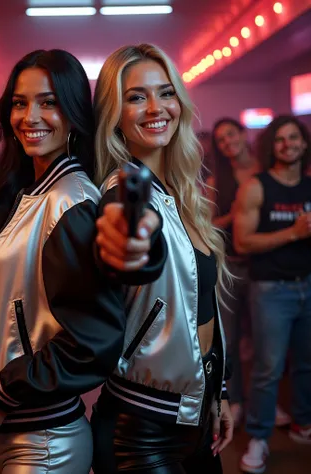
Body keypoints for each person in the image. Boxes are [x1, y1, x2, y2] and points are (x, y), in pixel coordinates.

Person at [0, 49, 126, 474]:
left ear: (73, 113)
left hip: (40, 440)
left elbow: (93, 342)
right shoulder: (26, 192)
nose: (30, 116)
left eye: (48, 102)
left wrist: (1, 396)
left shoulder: (72, 200)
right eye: (20, 102)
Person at [91, 43, 233, 474]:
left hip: (196, 410)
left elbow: (200, 308)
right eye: (136, 97)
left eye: (166, 92)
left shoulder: (181, 193)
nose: (156, 107)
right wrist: (130, 246)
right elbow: (129, 243)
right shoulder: (123, 193)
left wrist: (219, 392)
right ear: (115, 113)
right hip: (139, 430)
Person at [234, 115, 311, 473]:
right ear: (271, 145)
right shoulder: (256, 187)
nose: (288, 144)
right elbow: (243, 243)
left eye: (294, 138)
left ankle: (305, 422)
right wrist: (295, 231)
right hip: (270, 289)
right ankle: (259, 437)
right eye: (280, 139)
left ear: (305, 144)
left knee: (309, 363)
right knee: (268, 368)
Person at [206, 118, 264, 427]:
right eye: (221, 140)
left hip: (264, 266)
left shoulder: (267, 169)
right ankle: (236, 401)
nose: (228, 143)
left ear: (243, 134)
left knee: (263, 340)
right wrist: (235, 213)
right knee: (229, 338)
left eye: (231, 135)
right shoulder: (219, 179)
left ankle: (260, 405)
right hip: (229, 266)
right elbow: (209, 224)